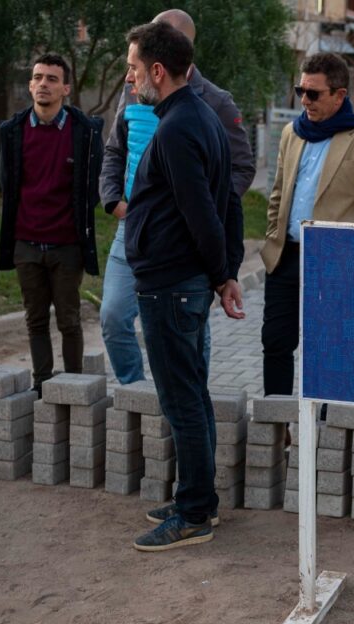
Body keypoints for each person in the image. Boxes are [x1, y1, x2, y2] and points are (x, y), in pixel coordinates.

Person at [121, 22, 244, 552]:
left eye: (132, 69)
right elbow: (227, 205)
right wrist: (226, 272)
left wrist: (223, 276)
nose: (129, 80)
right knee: (190, 396)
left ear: (156, 70)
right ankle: (197, 499)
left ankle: (194, 512)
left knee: (183, 401)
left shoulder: (176, 127)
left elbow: (204, 214)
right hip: (179, 283)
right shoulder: (196, 116)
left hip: (172, 286)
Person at [97, 8, 254, 384]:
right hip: (133, 225)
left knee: (187, 328)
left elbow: (241, 167)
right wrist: (113, 199)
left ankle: (187, 398)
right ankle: (137, 392)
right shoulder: (134, 91)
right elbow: (115, 149)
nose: (134, 68)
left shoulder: (213, 101)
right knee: (114, 317)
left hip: (183, 238)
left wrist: (205, 200)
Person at [261, 53, 354, 396]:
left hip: (335, 263)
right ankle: (277, 427)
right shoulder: (293, 132)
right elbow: (278, 192)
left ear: (339, 94)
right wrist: (272, 236)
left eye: (314, 93)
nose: (305, 100)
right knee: (276, 343)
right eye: (300, 91)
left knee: (328, 351)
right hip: (286, 257)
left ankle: (323, 426)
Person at [0, 53, 103, 392]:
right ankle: (42, 385)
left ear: (65, 88)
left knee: (69, 320)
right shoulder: (12, 132)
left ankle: (72, 387)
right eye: (38, 77)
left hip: (67, 245)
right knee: (36, 320)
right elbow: (7, 184)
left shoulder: (84, 132)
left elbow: (93, 187)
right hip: (26, 244)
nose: (44, 84)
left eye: (52, 79)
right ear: (30, 85)